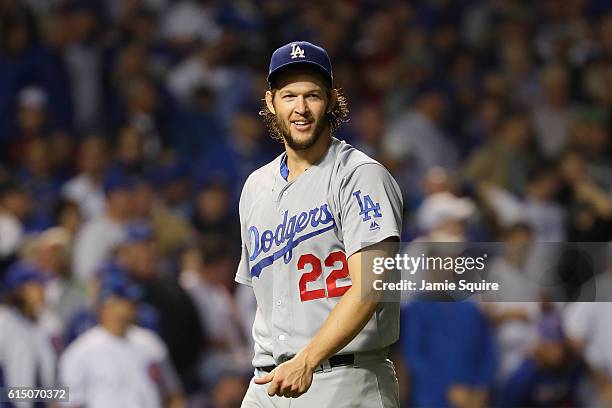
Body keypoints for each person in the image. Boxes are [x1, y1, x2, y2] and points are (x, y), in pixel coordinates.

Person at [235, 41, 403, 407]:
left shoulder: (360, 176)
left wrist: (307, 358)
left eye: (312, 95)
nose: (301, 108)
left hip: (345, 377)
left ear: (329, 101)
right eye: (289, 95)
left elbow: (371, 288)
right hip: (268, 382)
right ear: (270, 102)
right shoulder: (255, 188)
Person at [58, 272, 185, 408]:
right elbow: (68, 403)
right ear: (108, 305)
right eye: (127, 300)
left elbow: (174, 394)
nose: (134, 306)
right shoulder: (80, 351)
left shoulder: (150, 343)